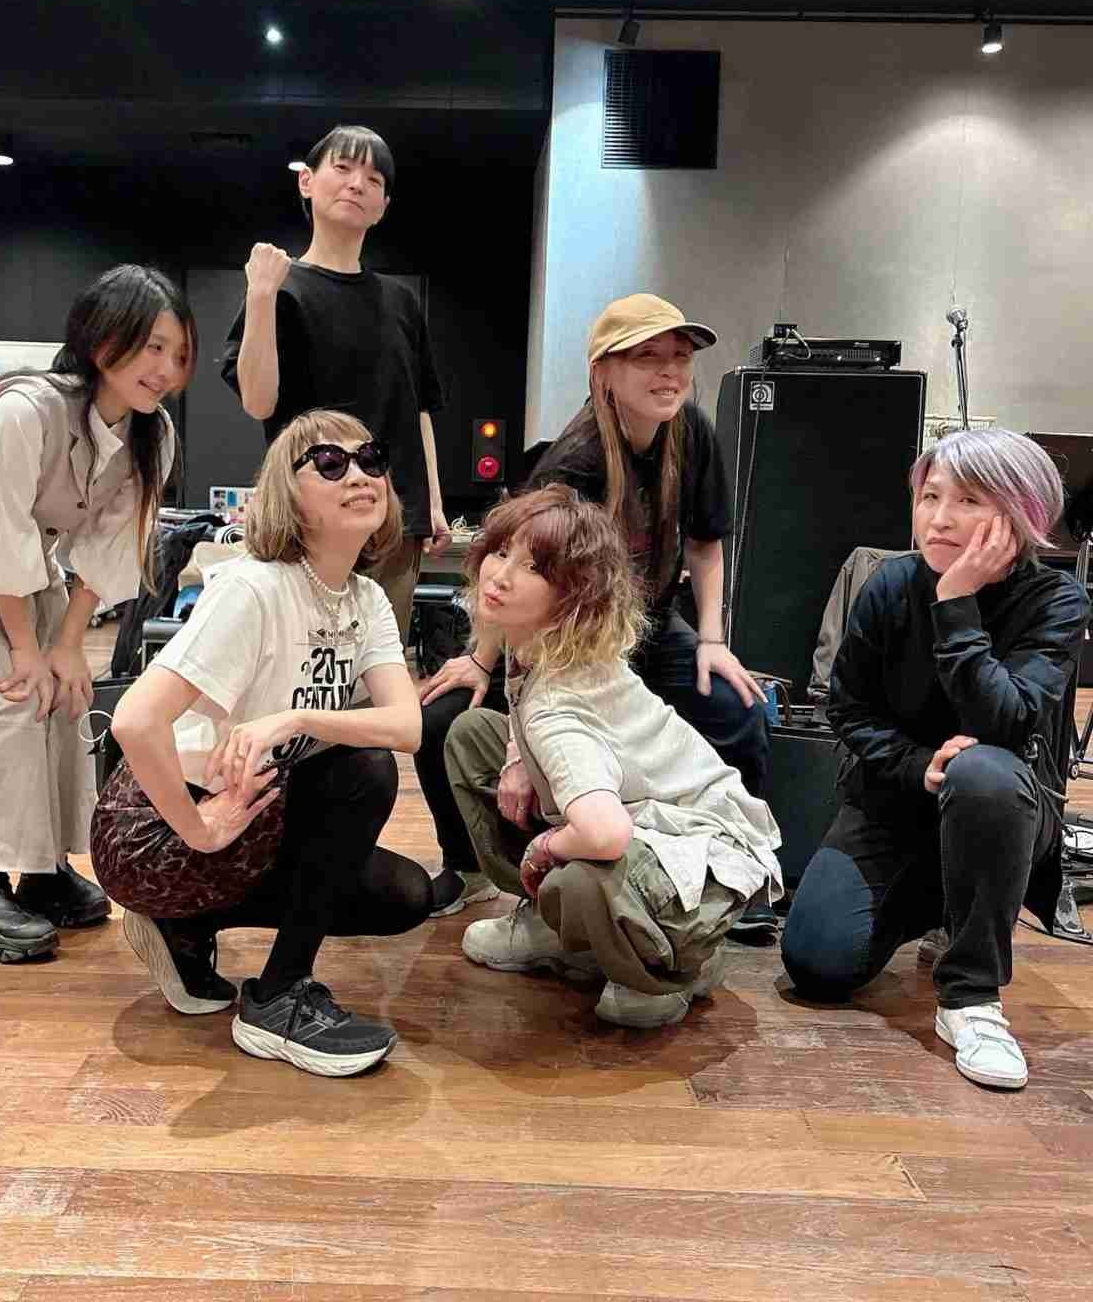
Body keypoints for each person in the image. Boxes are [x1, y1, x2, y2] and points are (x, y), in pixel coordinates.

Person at [91, 410, 433, 1079]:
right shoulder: (255, 588)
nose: (358, 475)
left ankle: (187, 925)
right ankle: (276, 998)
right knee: (364, 771)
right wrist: (197, 828)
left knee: (403, 894)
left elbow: (407, 725)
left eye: (370, 459)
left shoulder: (364, 599)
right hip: (159, 826)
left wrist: (295, 719)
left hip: (254, 809)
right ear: (288, 493)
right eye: (330, 463)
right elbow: (134, 721)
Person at [418, 292, 771, 923]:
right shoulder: (572, 463)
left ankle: (737, 879)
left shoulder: (692, 432)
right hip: (569, 641)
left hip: (648, 625)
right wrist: (485, 665)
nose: (669, 372)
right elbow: (517, 574)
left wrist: (713, 640)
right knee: (446, 716)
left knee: (737, 708)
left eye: (679, 357)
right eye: (647, 357)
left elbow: (705, 542)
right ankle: (487, 871)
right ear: (603, 371)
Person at [0, 265, 192, 963]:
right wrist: (27, 650)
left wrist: (66, 648)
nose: (166, 369)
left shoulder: (153, 434)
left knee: (64, 694)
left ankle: (40, 862)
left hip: (25, 553)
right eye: (152, 346)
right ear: (101, 340)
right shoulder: (24, 410)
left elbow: (107, 549)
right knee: (8, 694)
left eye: (179, 353)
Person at [781, 428, 1090, 1090]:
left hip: (1000, 805)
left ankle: (971, 998)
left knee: (981, 770)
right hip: (896, 800)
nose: (940, 518)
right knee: (817, 962)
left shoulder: (1056, 601)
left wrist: (957, 603)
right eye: (930, 497)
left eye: (969, 500)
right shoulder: (890, 585)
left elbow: (1005, 722)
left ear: (1020, 513)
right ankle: (951, 902)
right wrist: (917, 763)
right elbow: (848, 711)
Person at [444, 485, 782, 1027]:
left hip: (700, 852)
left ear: (572, 596)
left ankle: (666, 968)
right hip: (658, 817)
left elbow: (604, 834)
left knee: (576, 878)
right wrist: (516, 757)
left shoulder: (556, 707)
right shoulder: (543, 646)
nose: (500, 576)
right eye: (501, 551)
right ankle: (557, 926)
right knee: (474, 736)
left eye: (533, 568)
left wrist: (542, 849)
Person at [221, 124, 449, 642]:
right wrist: (261, 296)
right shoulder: (281, 289)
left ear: (383, 206)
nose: (356, 183)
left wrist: (432, 503)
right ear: (307, 182)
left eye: (373, 179)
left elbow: (419, 409)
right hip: (307, 516)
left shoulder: (401, 302)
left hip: (392, 519)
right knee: (297, 659)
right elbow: (258, 401)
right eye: (342, 168)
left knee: (379, 663)